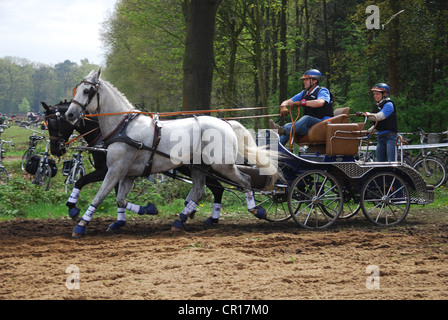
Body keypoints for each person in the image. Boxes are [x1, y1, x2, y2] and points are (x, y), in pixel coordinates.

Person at [269, 69, 334, 145]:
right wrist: (283, 107)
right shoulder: (304, 93)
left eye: (306, 79)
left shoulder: (322, 91)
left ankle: (282, 131)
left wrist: (302, 102)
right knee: (288, 126)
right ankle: (274, 148)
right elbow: (288, 101)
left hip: (323, 124)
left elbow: (320, 102)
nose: (304, 81)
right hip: (311, 127)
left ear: (314, 80)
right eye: (304, 79)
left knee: (306, 118)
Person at [358, 83, 398, 162]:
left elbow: (379, 117)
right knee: (379, 162)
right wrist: (367, 132)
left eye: (377, 94)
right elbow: (378, 124)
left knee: (391, 162)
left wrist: (367, 115)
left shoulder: (388, 104)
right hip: (380, 138)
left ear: (384, 94)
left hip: (390, 138)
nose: (375, 96)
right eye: (374, 94)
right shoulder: (378, 106)